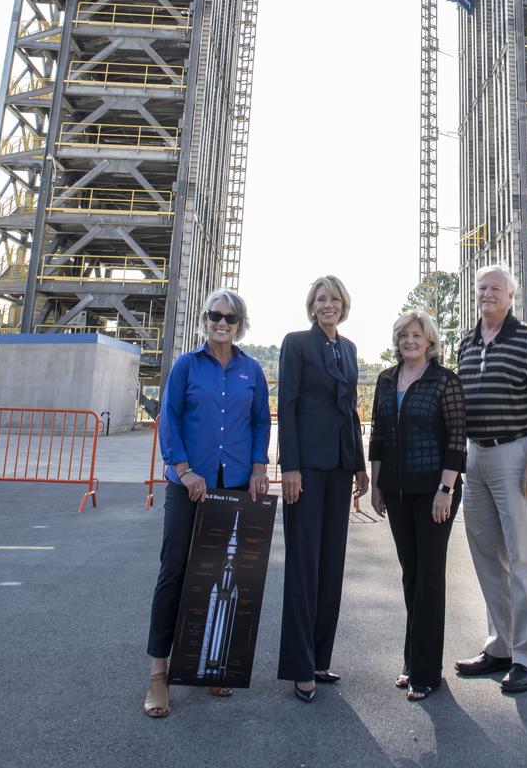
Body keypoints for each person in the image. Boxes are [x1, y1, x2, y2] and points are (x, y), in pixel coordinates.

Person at [144, 289, 271, 718]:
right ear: (204, 319)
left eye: (230, 317)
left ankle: (211, 666)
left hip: (232, 486)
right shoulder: (185, 366)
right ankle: (159, 673)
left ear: (240, 323)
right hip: (188, 486)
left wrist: (258, 467)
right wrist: (183, 469)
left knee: (223, 577)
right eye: (214, 315)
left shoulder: (251, 370)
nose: (222, 322)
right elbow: (170, 419)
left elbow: (259, 421)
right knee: (175, 572)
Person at [454, 264, 527, 695]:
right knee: (485, 556)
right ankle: (500, 645)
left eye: (496, 288)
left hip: (516, 455)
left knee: (524, 559)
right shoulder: (466, 342)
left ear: (512, 296)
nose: (487, 294)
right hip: (476, 457)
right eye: (481, 288)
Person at [277, 275, 369, 702]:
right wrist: (289, 466)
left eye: (334, 299)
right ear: (311, 306)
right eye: (320, 299)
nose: (327, 305)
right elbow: (288, 406)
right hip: (307, 470)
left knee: (332, 563)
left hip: (339, 468)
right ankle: (300, 666)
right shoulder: (296, 344)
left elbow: (350, 412)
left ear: (344, 305)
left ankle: (319, 658)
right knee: (304, 564)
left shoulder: (348, 348)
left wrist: (361, 467)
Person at [370, 309, 466, 702]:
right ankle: (412, 661)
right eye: (404, 335)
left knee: (429, 576)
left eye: (417, 335)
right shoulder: (386, 379)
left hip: (434, 492)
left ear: (430, 342)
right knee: (410, 574)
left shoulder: (445, 381)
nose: (410, 341)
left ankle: (428, 673)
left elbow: (457, 440)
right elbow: (377, 434)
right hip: (396, 489)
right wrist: (375, 485)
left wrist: (445, 489)